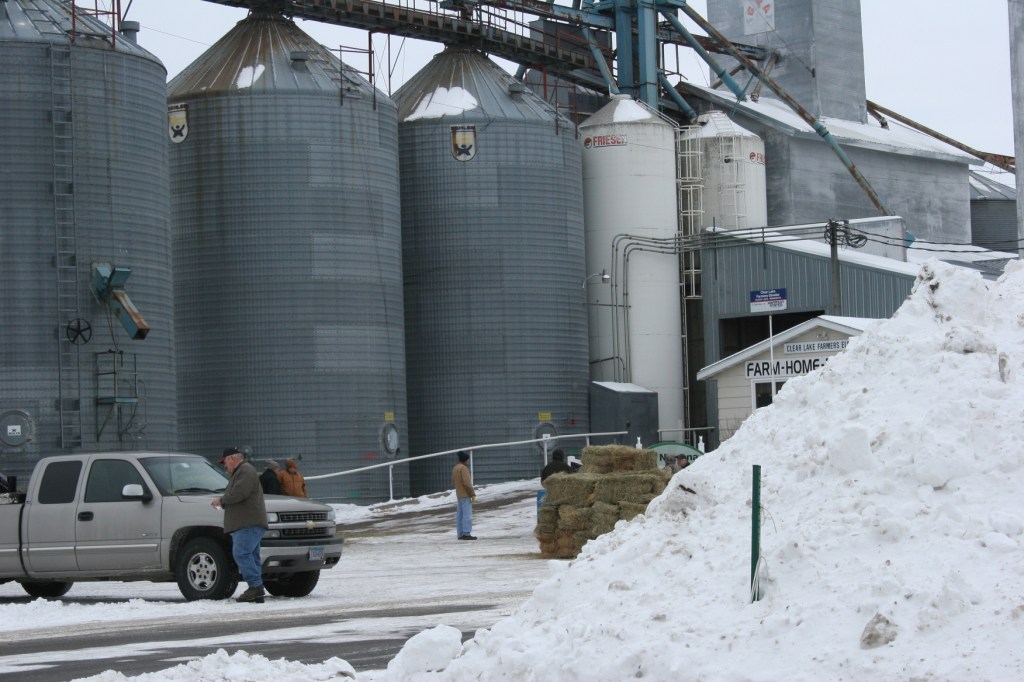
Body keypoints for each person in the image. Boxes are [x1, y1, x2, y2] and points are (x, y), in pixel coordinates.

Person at [211, 446, 268, 604]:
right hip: (250, 522)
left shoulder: (245, 470)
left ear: (232, 459)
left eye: (225, 462)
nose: (224, 466)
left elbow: (239, 493)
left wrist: (221, 501)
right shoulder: (243, 471)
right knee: (252, 556)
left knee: (241, 553)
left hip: (248, 522)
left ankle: (255, 587)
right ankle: (256, 590)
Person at [452, 451, 476, 540]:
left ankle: (460, 533)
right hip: (465, 495)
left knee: (460, 515)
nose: (468, 462)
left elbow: (453, 482)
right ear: (465, 460)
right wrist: (472, 494)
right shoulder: (464, 468)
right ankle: (466, 533)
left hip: (459, 495)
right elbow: (467, 483)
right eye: (468, 460)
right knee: (467, 515)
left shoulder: (455, 468)